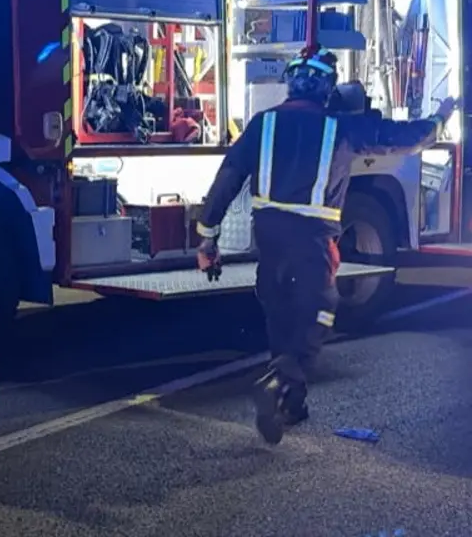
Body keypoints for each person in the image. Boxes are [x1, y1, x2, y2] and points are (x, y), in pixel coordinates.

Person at [195, 45, 456, 445]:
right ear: (327, 88)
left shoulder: (263, 124)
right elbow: (401, 138)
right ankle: (280, 379)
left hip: (268, 236)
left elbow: (228, 177)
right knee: (320, 311)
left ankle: (290, 404)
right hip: (313, 239)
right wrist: (440, 118)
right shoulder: (341, 127)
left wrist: (208, 236)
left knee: (281, 313)